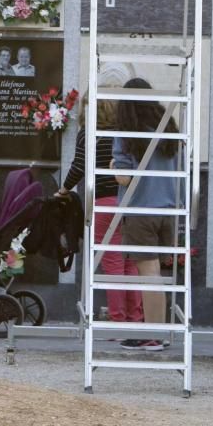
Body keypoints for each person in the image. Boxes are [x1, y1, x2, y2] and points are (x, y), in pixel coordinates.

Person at [58, 78, 143, 325]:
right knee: (131, 263)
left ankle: (117, 319)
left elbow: (79, 166)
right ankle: (136, 318)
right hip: (130, 202)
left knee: (113, 264)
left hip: (105, 203)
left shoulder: (89, 134)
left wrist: (63, 190)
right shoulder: (123, 133)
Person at [112, 77, 180, 351]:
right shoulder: (168, 128)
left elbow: (125, 178)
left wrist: (113, 164)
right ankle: (154, 332)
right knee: (157, 274)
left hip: (141, 209)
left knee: (148, 274)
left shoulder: (128, 132)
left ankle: (154, 335)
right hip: (168, 209)